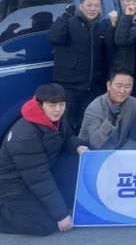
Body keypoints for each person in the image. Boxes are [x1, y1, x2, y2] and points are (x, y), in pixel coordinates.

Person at [0, 84, 88, 236]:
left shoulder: (55, 119)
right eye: (52, 105)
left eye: (61, 104)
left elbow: (67, 137)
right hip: (12, 187)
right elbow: (39, 179)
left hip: (36, 175)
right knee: (45, 225)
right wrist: (61, 215)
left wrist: (78, 145)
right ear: (40, 105)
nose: (57, 109)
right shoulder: (25, 136)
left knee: (75, 160)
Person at [48, 0, 110, 130]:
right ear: (81, 5)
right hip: (70, 87)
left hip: (92, 87)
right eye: (89, 5)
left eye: (96, 5)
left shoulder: (101, 27)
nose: (92, 9)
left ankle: (83, 144)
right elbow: (54, 37)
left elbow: (104, 57)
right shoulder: (69, 22)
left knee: (87, 124)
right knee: (66, 124)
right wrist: (65, 15)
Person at [78, 70, 136, 150]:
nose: (122, 91)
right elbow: (95, 143)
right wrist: (111, 120)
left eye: (127, 87)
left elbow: (133, 136)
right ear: (109, 85)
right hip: (94, 152)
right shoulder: (94, 108)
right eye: (118, 86)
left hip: (120, 153)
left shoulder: (134, 103)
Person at [107, 0, 136, 83]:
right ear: (122, 2)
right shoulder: (115, 19)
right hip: (122, 69)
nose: (131, 4)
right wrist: (112, 25)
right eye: (127, 0)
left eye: (135, 0)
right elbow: (109, 43)